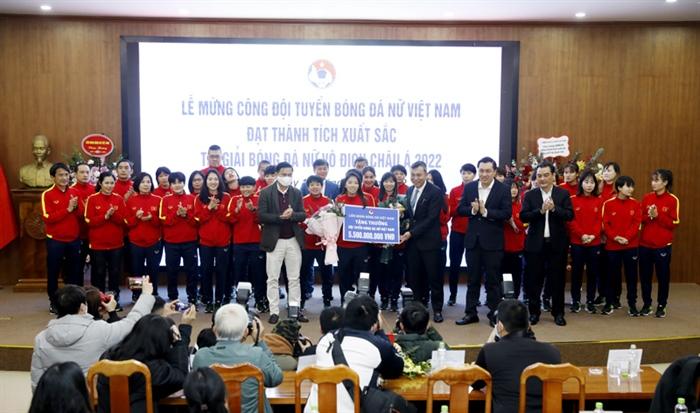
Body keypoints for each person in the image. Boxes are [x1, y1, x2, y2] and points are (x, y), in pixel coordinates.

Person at [31, 279, 156, 390]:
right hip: (90, 400)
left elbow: (37, 382)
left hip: (55, 401)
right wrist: (145, 295)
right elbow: (132, 323)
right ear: (82, 307)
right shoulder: (99, 330)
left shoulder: (40, 338)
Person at [305, 295, 403, 413]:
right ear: (374, 323)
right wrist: (380, 331)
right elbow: (396, 370)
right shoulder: (378, 346)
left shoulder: (326, 340)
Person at [97, 308, 196, 413]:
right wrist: (180, 337)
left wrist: (161, 322)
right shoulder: (148, 370)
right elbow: (181, 378)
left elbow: (149, 331)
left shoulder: (109, 356)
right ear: (161, 344)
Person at [473, 299, 561, 413]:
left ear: (500, 326)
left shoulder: (490, 351)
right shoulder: (552, 352)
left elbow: (476, 383)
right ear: (529, 325)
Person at [193, 304, 283, 413]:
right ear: (246, 331)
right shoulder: (256, 354)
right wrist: (260, 341)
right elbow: (276, 378)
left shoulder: (201, 357)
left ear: (214, 330)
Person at [456, 157, 511, 327]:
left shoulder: (503, 189)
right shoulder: (470, 187)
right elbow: (460, 209)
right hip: (473, 241)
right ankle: (470, 313)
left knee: (493, 281)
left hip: (493, 243)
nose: (484, 174)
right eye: (481, 171)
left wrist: (486, 212)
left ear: (494, 172)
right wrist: (473, 210)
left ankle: (494, 314)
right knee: (472, 279)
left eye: (488, 171)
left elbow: (506, 213)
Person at [521, 162, 574, 326]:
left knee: (557, 280)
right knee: (534, 280)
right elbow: (523, 216)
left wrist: (554, 209)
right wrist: (541, 211)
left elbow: (570, 215)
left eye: (545, 175)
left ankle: (558, 313)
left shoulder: (562, 194)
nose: (542, 179)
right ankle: (534, 312)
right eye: (539, 176)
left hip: (557, 244)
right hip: (535, 245)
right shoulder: (530, 195)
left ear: (553, 176)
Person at [257, 162, 306, 324]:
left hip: (293, 239)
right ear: (277, 174)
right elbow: (261, 216)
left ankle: (294, 309)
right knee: (272, 278)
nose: (287, 177)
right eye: (284, 174)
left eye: (289, 174)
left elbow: (302, 215)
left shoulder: (296, 192)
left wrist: (292, 215)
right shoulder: (265, 192)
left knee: (294, 278)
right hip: (274, 241)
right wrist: (279, 217)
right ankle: (274, 311)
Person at [401, 161, 445, 322]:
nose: (415, 178)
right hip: (413, 244)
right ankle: (418, 309)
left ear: (426, 174)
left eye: (419, 175)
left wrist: (411, 233)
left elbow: (431, 219)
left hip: (430, 242)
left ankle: (437, 310)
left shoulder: (435, 192)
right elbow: (410, 215)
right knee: (414, 277)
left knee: (434, 278)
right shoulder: (409, 190)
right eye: (413, 175)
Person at [42, 163, 82, 314]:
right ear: (53, 177)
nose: (64, 178)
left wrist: (77, 208)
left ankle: (73, 303)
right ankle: (53, 302)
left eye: (66, 175)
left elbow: (80, 215)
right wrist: (68, 209)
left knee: (74, 272)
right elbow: (48, 218)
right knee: (53, 272)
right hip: (55, 240)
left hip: (73, 239)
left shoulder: (75, 192)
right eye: (60, 175)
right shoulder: (47, 194)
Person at [639, 169, 679, 318]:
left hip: (662, 246)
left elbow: (674, 223)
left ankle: (662, 305)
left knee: (663, 277)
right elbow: (640, 218)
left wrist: (658, 216)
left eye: (657, 180)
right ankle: (647, 304)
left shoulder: (672, 200)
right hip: (645, 245)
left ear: (665, 182)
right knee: (645, 277)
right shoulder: (647, 197)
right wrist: (649, 216)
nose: (653, 183)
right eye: (652, 180)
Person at [85, 171, 127, 307]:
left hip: (116, 244)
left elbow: (124, 221)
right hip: (98, 244)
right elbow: (89, 221)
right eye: (107, 183)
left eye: (112, 183)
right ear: (100, 183)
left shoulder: (119, 199)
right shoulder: (92, 199)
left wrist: (113, 215)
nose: (109, 186)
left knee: (115, 272)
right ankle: (98, 300)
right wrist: (105, 216)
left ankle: (114, 300)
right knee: (98, 273)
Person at [602, 176, 642, 316]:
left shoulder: (636, 204)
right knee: (611, 275)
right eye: (627, 186)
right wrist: (615, 237)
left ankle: (632, 304)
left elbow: (637, 224)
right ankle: (609, 302)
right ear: (619, 187)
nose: (631, 189)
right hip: (613, 246)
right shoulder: (608, 204)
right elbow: (605, 224)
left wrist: (627, 238)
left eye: (632, 186)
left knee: (631, 276)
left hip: (631, 246)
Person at [228, 176, 267, 312]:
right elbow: (230, 220)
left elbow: (263, 220)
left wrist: (253, 211)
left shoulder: (259, 199)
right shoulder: (234, 200)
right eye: (243, 187)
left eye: (249, 186)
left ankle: (260, 300)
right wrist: (237, 210)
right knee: (239, 272)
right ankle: (241, 301)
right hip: (239, 243)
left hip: (256, 242)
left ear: (254, 187)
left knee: (258, 273)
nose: (246, 189)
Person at [336, 170, 376, 302]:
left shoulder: (368, 198)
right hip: (343, 245)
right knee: (344, 275)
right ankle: (345, 301)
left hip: (361, 246)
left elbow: (374, 219)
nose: (353, 185)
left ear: (360, 184)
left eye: (356, 183)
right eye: (350, 182)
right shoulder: (339, 199)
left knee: (363, 276)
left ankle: (362, 301)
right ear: (345, 184)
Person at [195, 170, 232, 312]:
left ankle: (219, 300)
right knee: (206, 271)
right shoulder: (199, 198)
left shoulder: (226, 197)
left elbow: (229, 218)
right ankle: (208, 300)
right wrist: (209, 208)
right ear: (206, 181)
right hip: (205, 242)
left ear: (219, 181)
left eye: (215, 179)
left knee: (222, 271)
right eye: (210, 179)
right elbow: (198, 219)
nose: (213, 182)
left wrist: (217, 209)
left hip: (223, 241)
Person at [160, 172, 199, 304]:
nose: (177, 185)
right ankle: (173, 296)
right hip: (171, 242)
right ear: (170, 185)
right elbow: (163, 220)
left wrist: (186, 215)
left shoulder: (192, 198)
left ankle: (192, 296)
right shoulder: (165, 200)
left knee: (192, 271)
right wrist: (176, 214)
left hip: (190, 242)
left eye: (180, 182)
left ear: (184, 183)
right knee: (172, 271)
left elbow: (197, 221)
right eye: (174, 183)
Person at [568, 170, 603, 314]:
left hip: (594, 243)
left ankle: (590, 301)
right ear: (581, 183)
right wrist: (582, 235)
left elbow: (600, 221)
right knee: (576, 273)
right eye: (586, 182)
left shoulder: (599, 200)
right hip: (577, 242)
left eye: (592, 182)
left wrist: (593, 236)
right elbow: (571, 220)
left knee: (592, 273)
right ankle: (575, 300)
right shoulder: (573, 199)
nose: (589, 185)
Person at [125, 172, 162, 295]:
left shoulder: (158, 200)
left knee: (154, 270)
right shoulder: (131, 201)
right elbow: (127, 223)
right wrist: (136, 217)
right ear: (137, 185)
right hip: (135, 242)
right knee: (136, 270)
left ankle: (154, 293)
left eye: (148, 182)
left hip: (154, 242)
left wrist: (152, 218)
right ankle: (136, 294)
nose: (146, 184)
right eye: (143, 182)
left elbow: (161, 222)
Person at [300, 175, 334, 308]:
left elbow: (333, 221)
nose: (315, 187)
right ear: (308, 187)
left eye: (317, 185)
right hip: (306, 244)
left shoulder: (328, 202)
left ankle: (327, 299)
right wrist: (308, 223)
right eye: (312, 185)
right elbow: (299, 220)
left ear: (322, 186)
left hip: (323, 245)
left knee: (327, 273)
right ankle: (301, 300)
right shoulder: (302, 201)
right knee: (303, 273)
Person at [375, 172, 406, 311]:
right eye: (386, 181)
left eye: (391, 181)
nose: (389, 184)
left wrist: (401, 216)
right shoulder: (376, 199)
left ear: (395, 183)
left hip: (397, 244)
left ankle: (394, 299)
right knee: (381, 273)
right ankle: (383, 298)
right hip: (380, 244)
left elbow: (407, 219)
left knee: (396, 273)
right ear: (382, 183)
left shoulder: (402, 199)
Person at [447, 163, 476, 305]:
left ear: (474, 175)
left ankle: (474, 297)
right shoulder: (455, 191)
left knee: (473, 266)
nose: (466, 176)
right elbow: (451, 211)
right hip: (457, 232)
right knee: (454, 264)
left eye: (469, 173)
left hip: (473, 232)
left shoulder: (478, 190)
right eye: (464, 173)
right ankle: (452, 295)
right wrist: (465, 208)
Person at [427, 169, 450, 298]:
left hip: (440, 236)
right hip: (424, 237)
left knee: (439, 268)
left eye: (432, 180)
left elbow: (444, 219)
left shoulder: (444, 197)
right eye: (428, 180)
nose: (429, 182)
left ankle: (437, 298)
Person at [71, 162, 96, 279]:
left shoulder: (95, 190)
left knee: (97, 266)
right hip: (77, 234)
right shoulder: (71, 190)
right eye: (81, 172)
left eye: (87, 172)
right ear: (75, 174)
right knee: (77, 266)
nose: (85, 175)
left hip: (94, 233)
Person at [502, 178, 525, 300]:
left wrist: (513, 222)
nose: (514, 190)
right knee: (505, 273)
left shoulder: (521, 206)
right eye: (511, 188)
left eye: (515, 187)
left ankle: (515, 297)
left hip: (518, 246)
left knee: (517, 273)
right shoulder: (502, 206)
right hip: (504, 246)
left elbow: (523, 225)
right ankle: (507, 295)